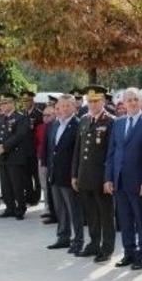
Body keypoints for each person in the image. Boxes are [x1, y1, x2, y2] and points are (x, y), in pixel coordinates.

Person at [105, 87, 142, 270]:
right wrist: (109, 178)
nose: (132, 103)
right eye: (129, 100)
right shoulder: (118, 123)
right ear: (124, 103)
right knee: (125, 219)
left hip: (139, 183)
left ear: (141, 102)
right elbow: (112, 153)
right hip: (119, 180)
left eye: (136, 99)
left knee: (141, 220)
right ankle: (129, 253)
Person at [71, 85, 116, 262]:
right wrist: (75, 174)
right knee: (91, 214)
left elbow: (112, 152)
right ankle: (94, 243)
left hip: (101, 178)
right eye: (90, 101)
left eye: (96, 100)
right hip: (84, 176)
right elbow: (78, 150)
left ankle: (107, 248)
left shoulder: (111, 121)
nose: (92, 104)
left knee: (105, 215)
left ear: (103, 101)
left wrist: (108, 178)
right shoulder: (83, 120)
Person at [45, 94, 84, 252]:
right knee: (61, 209)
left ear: (74, 107)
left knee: (74, 210)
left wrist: (76, 175)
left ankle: (78, 240)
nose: (63, 109)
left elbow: (79, 153)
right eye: (61, 106)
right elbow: (51, 150)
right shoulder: (55, 124)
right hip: (55, 174)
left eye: (67, 106)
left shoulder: (79, 124)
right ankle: (63, 237)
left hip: (69, 176)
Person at [0, 93, 33, 219]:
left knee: (17, 185)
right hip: (2, 157)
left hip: (15, 156)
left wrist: (4, 147)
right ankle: (10, 207)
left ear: (13, 103)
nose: (3, 105)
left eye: (6, 103)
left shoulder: (21, 118)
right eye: (2, 103)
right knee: (5, 185)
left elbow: (19, 135)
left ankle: (20, 208)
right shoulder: (0, 118)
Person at [20, 90, 44, 206]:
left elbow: (39, 133)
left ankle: (36, 197)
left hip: (34, 149)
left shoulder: (39, 114)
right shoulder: (22, 114)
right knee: (26, 176)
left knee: (36, 176)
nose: (25, 103)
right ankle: (29, 196)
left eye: (28, 100)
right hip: (24, 150)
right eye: (24, 101)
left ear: (32, 101)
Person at [39, 104, 57, 224]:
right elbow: (45, 146)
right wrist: (44, 162)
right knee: (49, 189)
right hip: (49, 163)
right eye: (44, 115)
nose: (45, 118)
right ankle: (52, 214)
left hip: (61, 165)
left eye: (48, 115)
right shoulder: (49, 126)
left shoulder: (58, 125)